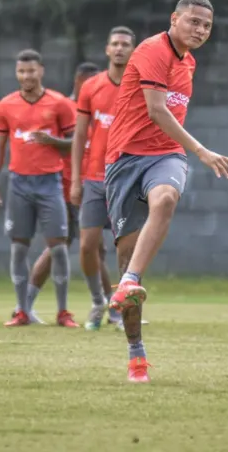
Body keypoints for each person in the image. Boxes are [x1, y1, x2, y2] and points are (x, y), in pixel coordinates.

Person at [103, 0, 228, 382]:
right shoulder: (151, 50)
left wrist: (186, 152)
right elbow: (157, 110)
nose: (200, 30)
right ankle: (136, 353)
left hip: (166, 156)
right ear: (174, 19)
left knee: (166, 197)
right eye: (193, 21)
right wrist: (202, 150)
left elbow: (166, 122)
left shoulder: (189, 63)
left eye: (207, 26)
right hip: (124, 161)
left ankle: (129, 282)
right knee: (126, 259)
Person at [0, 49, 79, 328]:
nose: (26, 76)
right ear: (16, 74)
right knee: (18, 248)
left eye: (31, 71)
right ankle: (22, 311)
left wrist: (52, 141)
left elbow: (77, 142)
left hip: (50, 183)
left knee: (59, 249)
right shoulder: (6, 105)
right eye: (21, 72)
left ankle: (63, 312)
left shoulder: (60, 104)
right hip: (19, 183)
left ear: (41, 70)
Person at [20, 61, 101, 323]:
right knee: (71, 245)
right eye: (90, 82)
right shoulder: (65, 106)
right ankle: (109, 307)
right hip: (69, 185)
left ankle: (108, 306)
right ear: (79, 82)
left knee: (93, 247)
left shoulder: (100, 107)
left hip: (95, 183)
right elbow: (65, 144)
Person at [70, 26, 136, 331]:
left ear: (133, 50)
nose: (120, 48)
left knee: (127, 249)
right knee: (87, 246)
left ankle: (123, 308)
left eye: (125, 44)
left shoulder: (139, 87)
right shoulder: (91, 87)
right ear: (107, 50)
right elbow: (80, 134)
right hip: (95, 178)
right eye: (115, 44)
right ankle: (99, 301)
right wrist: (75, 179)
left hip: (127, 178)